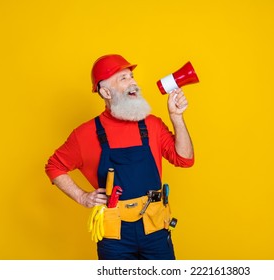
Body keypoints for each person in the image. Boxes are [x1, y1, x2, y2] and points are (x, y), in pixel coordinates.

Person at [45, 54, 194, 260]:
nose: (133, 82)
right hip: (114, 236)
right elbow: (54, 166)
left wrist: (177, 117)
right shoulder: (85, 134)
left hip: (155, 227)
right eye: (123, 78)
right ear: (105, 91)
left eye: (131, 76)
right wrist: (82, 196)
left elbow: (185, 159)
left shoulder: (152, 124)